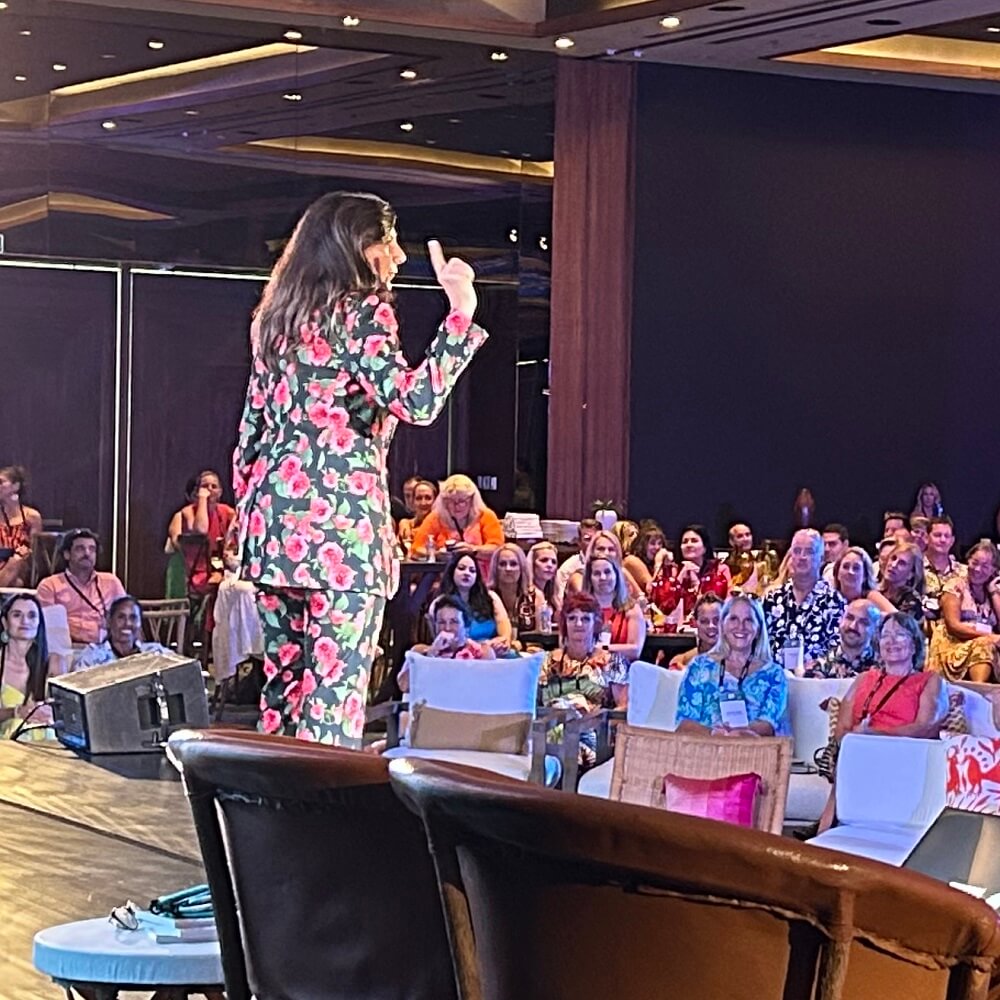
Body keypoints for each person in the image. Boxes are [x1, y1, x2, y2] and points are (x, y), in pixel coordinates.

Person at [232, 191, 488, 746]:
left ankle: (271, 820)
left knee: (283, 698)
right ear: (357, 246)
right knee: (332, 703)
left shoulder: (273, 320)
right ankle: (322, 826)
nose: (397, 256)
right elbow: (416, 401)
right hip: (341, 536)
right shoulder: (362, 310)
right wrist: (461, 313)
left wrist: (253, 520)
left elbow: (250, 438)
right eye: (388, 241)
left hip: (274, 533)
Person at [818, 613, 945, 832]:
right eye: (886, 635)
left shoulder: (929, 680)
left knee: (857, 753)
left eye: (900, 635)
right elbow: (842, 729)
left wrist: (876, 737)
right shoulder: (864, 679)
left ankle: (826, 826)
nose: (891, 641)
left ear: (914, 644)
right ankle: (828, 830)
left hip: (906, 754)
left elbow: (926, 727)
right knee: (851, 751)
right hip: (857, 751)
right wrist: (858, 738)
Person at [675, 594, 790, 738]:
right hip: (703, 751)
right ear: (723, 625)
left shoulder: (774, 674)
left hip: (753, 753)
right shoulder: (699, 667)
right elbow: (684, 723)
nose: (741, 627)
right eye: (733, 619)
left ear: (758, 628)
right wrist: (715, 734)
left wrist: (736, 734)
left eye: (748, 620)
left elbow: (769, 725)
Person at [538, 591, 629, 766]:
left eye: (585, 619)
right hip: (551, 737)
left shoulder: (613, 662)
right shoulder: (546, 661)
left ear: (596, 624)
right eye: (572, 618)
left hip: (594, 737)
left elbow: (622, 709)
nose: (578, 624)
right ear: (564, 624)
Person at [763, 529, 845, 664]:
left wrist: (816, 668)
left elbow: (839, 649)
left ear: (821, 558)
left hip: (815, 681)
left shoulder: (834, 602)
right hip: (774, 678)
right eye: (797, 551)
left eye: (809, 552)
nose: (802, 557)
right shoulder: (772, 599)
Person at [36, 529, 126, 645]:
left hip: (105, 648)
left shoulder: (111, 582)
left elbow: (126, 615)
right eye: (80, 549)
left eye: (92, 549)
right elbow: (47, 626)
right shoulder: (50, 585)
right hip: (66, 649)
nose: (87, 553)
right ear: (67, 554)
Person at [927, 541, 1000, 683]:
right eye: (974, 562)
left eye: (985, 566)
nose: (978, 569)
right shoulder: (956, 585)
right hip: (954, 645)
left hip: (984, 644)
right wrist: (989, 636)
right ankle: (980, 692)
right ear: (968, 561)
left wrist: (993, 591)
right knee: (984, 646)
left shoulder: (990, 590)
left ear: (993, 570)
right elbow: (953, 625)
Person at [0, 593, 68, 739]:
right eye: (17, 615)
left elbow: (66, 710)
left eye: (32, 616)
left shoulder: (55, 662)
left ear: (39, 623)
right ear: (5, 623)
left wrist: (50, 712)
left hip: (47, 741)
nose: (25, 621)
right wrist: (17, 712)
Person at [399, 594, 496, 691]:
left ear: (466, 626)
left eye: (454, 621)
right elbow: (404, 686)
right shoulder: (419, 652)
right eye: (441, 622)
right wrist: (431, 654)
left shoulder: (483, 653)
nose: (447, 628)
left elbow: (489, 687)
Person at [409, 474, 504, 570]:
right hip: (443, 578)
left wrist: (473, 550)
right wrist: (436, 554)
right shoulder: (435, 517)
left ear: (472, 500)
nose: (456, 506)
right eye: (451, 501)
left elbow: (498, 549)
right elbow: (415, 550)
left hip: (482, 578)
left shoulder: (486, 515)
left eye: (462, 501)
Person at [166, 470, 236, 597]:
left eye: (214, 486)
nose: (209, 489)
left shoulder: (226, 512)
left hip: (222, 569)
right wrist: (203, 499)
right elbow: (201, 530)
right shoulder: (186, 513)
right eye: (205, 486)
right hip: (194, 572)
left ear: (220, 492)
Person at [648, 524, 730, 622]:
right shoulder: (673, 570)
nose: (689, 545)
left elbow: (726, 601)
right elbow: (658, 599)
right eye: (685, 542)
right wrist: (681, 576)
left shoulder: (719, 569)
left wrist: (696, 581)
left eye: (694, 541)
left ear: (704, 547)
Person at [437, 551, 511, 652]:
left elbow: (505, 636)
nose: (467, 573)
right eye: (461, 568)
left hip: (493, 654)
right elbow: (441, 641)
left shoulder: (491, 598)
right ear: (452, 571)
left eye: (472, 570)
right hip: (456, 658)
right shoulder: (440, 602)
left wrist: (500, 643)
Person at [74, 596, 171, 669]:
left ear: (140, 623)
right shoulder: (92, 659)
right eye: (121, 617)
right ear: (109, 621)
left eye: (133, 618)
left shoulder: (155, 653)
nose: (127, 623)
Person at [581, 554, 646, 662]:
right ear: (589, 579)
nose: (603, 578)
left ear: (617, 575)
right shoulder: (581, 608)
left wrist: (602, 648)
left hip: (622, 673)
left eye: (607, 572)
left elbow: (635, 650)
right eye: (597, 573)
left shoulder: (632, 608)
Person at [804, 599, 881, 679]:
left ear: (875, 629)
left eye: (863, 622)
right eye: (849, 618)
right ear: (840, 620)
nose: (853, 626)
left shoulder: (882, 667)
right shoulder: (820, 664)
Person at [0, 465, 43, 589]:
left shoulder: (31, 516)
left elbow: (34, 550)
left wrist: (17, 557)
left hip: (20, 564)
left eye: (1, 482)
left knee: (16, 565)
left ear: (16, 486)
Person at [489, 542, 545, 635]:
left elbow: (540, 635)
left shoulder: (536, 596)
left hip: (529, 648)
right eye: (502, 564)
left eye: (513, 564)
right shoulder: (486, 596)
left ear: (522, 567)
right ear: (495, 568)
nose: (508, 568)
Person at [923, 516, 966, 618]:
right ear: (926, 538)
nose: (943, 540)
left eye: (947, 536)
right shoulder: (914, 568)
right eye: (937, 535)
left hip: (958, 628)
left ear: (952, 540)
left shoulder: (965, 572)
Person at [667, 592, 722, 670]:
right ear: (694, 623)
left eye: (717, 620)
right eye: (704, 621)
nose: (711, 626)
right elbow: (677, 661)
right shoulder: (698, 653)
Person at [553, 518, 600, 603]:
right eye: (587, 539)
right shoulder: (568, 568)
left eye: (596, 538)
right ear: (579, 541)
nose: (593, 543)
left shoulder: (609, 565)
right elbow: (559, 602)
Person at [877, 540, 925, 622]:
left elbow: (899, 627)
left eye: (902, 563)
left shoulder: (912, 600)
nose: (893, 565)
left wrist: (873, 596)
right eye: (893, 558)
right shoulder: (877, 588)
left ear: (911, 574)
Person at [623, 522, 669, 592]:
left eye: (660, 543)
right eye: (652, 543)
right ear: (642, 545)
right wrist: (658, 564)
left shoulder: (652, 564)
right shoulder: (632, 561)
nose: (657, 547)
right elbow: (654, 591)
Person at [397, 479, 437, 553]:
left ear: (435, 501)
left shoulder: (443, 525)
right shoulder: (406, 525)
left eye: (428, 498)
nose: (423, 503)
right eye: (418, 498)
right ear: (413, 501)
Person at [527, 541, 560, 614]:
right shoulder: (529, 595)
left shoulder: (554, 597)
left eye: (554, 562)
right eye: (544, 560)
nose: (550, 565)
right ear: (532, 564)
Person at [724, 522, 756, 590]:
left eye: (748, 535)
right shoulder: (726, 566)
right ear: (731, 541)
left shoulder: (759, 562)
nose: (745, 539)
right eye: (740, 536)